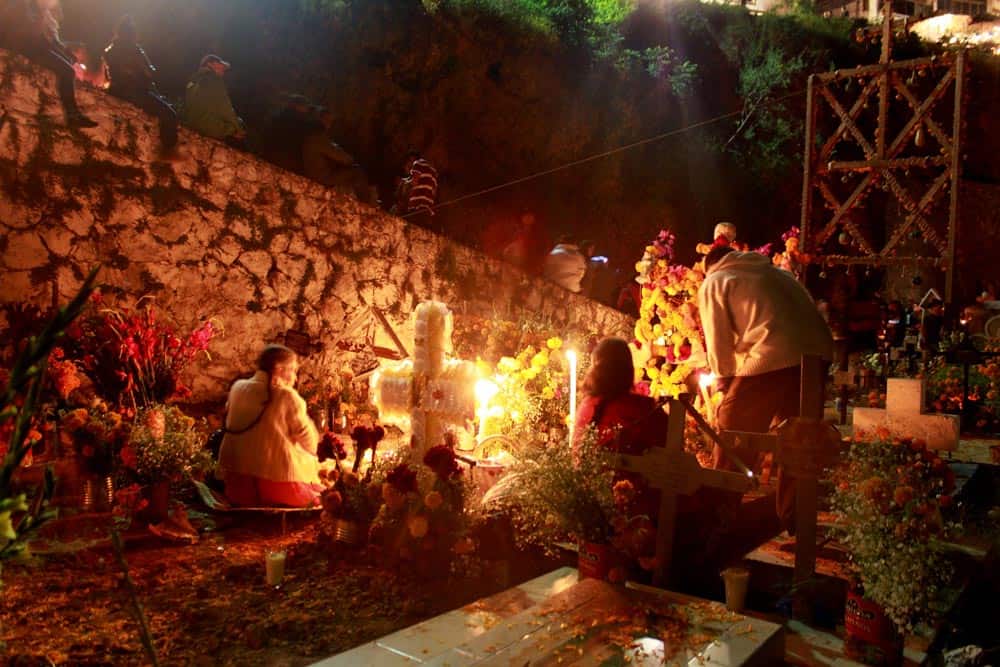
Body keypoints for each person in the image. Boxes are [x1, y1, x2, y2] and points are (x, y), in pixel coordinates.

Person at [698, 244, 833, 533]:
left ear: (709, 266)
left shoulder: (716, 280)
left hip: (772, 355)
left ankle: (720, 512)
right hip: (817, 356)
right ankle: (794, 516)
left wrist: (723, 379)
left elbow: (717, 337)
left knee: (735, 429)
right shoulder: (779, 275)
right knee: (800, 436)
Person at [574, 337, 669, 518]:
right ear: (628, 370)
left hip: (590, 507)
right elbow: (671, 451)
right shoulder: (645, 409)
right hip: (639, 514)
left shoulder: (587, 406)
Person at [217, 344, 322, 507]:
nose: (295, 378)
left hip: (236, 484)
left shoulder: (237, 388)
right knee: (318, 492)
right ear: (279, 369)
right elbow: (309, 441)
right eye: (293, 370)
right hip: (275, 482)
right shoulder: (287, 396)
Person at [3, 0, 96, 127]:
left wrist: (67, 56)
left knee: (69, 68)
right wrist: (41, 15)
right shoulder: (22, 6)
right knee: (67, 71)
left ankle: (74, 115)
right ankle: (72, 115)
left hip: (34, 46)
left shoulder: (29, 6)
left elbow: (45, 39)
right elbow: (30, 33)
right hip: (28, 48)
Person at [103, 16, 178, 156]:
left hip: (116, 89)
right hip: (134, 91)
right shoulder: (135, 50)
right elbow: (150, 72)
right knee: (170, 114)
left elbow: (108, 74)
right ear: (133, 34)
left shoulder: (110, 50)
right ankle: (169, 151)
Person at [302, 106, 376, 204]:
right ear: (321, 120)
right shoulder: (318, 137)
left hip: (315, 172)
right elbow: (340, 156)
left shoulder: (311, 136)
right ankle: (367, 205)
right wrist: (350, 159)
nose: (329, 124)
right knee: (357, 173)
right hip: (321, 176)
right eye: (327, 120)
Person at [180, 53, 246, 146]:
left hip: (190, 123)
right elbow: (225, 108)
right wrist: (239, 130)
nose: (223, 70)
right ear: (210, 64)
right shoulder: (214, 79)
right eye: (220, 65)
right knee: (239, 124)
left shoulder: (192, 80)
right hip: (207, 127)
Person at [393, 149, 438, 219]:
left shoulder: (417, 164)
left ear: (413, 160)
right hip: (427, 209)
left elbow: (414, 182)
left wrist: (404, 180)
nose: (408, 164)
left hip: (417, 207)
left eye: (409, 161)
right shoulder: (433, 170)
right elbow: (434, 192)